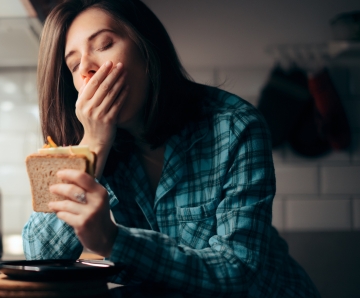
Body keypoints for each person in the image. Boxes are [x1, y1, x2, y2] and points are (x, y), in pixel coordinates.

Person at [22, 0, 320, 296]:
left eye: (103, 44)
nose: (87, 67)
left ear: (146, 48)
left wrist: (114, 240)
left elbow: (237, 270)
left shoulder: (235, 126)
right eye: (74, 65)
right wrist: (93, 146)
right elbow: (39, 257)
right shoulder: (99, 145)